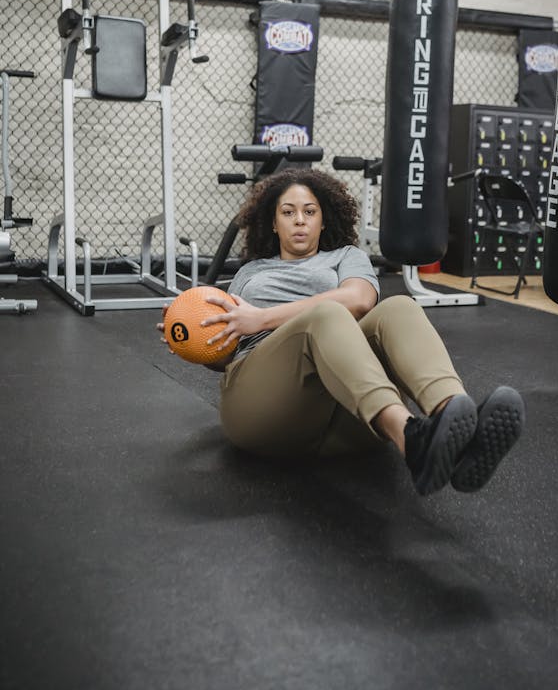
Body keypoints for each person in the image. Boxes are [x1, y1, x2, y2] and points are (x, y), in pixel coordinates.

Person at [164, 168, 525, 496]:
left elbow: (359, 300)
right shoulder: (251, 273)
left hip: (350, 418)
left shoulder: (347, 257)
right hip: (266, 414)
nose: (299, 220)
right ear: (273, 223)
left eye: (310, 211)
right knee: (326, 315)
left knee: (398, 307)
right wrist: (193, 340)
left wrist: (263, 317)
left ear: (323, 220)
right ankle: (410, 438)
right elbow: (227, 354)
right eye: (288, 212)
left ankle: (456, 425)